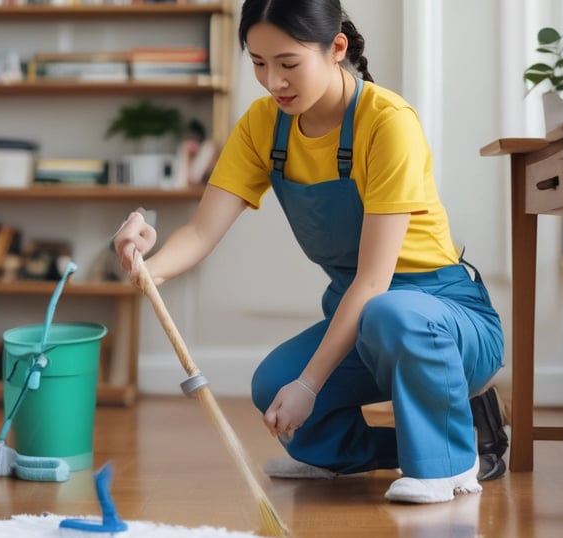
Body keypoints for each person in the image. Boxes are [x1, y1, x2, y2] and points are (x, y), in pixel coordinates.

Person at [113, 0, 505, 504]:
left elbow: (373, 282)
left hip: (443, 318)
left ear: (336, 48)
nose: (273, 81)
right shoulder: (263, 126)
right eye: (258, 63)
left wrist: (311, 386)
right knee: (272, 382)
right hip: (361, 316)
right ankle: (436, 444)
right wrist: (145, 264)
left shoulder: (388, 122)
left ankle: (449, 465)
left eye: (289, 64)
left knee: (382, 319)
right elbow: (200, 232)